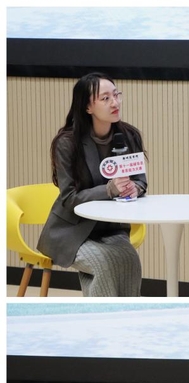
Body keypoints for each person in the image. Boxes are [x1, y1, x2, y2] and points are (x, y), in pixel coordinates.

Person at [38, 72, 147, 297]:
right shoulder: (68, 143)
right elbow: (69, 198)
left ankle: (127, 316)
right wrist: (109, 189)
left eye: (116, 95)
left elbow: (140, 181)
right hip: (71, 231)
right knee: (104, 264)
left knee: (131, 261)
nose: (115, 103)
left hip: (111, 228)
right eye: (105, 98)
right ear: (87, 107)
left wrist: (134, 189)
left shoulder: (129, 135)